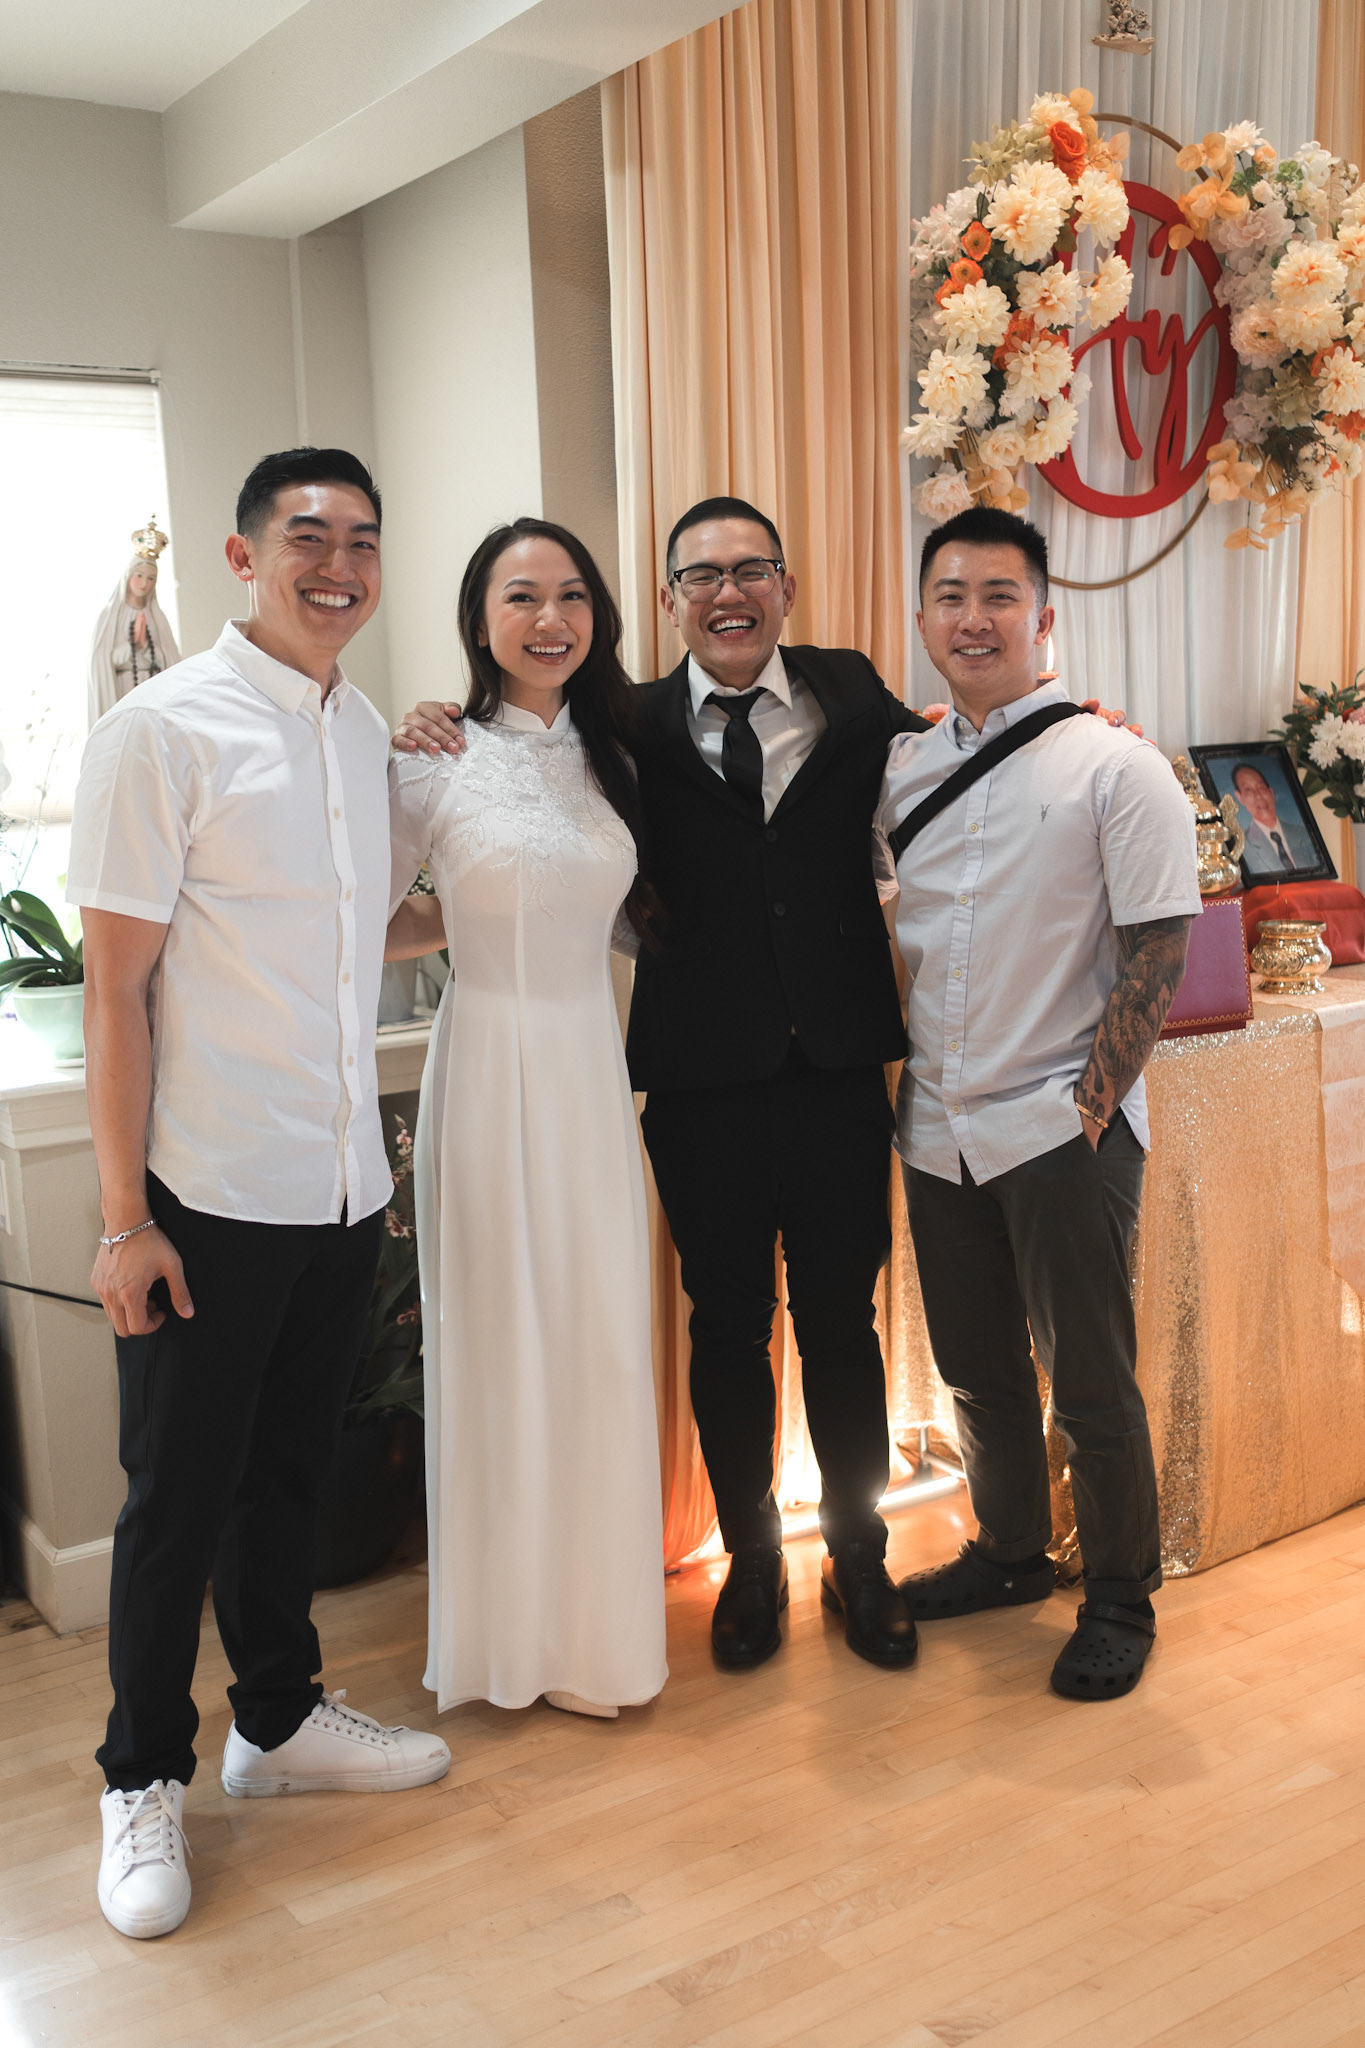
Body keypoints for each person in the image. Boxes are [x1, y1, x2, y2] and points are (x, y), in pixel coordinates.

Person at [397, 496, 930, 1676]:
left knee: (844, 1324)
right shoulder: (619, 725)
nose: (729, 593)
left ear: (786, 586)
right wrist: (427, 721)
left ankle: (860, 1554)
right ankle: (752, 1558)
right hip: (697, 1079)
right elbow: (512, 826)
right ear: (670, 597)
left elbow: (943, 763)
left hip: (839, 1066)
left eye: (752, 570)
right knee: (726, 1326)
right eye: (703, 575)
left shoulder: (853, 688)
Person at [68, 448, 450, 1944]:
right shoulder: (161, 731)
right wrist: (124, 1219)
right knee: (176, 1501)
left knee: (290, 1476)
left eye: (363, 540)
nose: (337, 565)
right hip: (206, 1190)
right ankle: (140, 1775)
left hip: (338, 1184)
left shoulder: (357, 729)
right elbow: (114, 988)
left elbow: (362, 927)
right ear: (242, 557)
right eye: (308, 537)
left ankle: (277, 1722)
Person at [879, 504, 1200, 1700]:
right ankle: (1011, 1551)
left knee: (1092, 1383)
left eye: (999, 595)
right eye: (951, 595)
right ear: (923, 618)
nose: (974, 618)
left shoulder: (1116, 763)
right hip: (937, 1123)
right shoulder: (900, 766)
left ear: (1043, 616)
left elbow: (1160, 946)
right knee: (976, 1367)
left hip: (1058, 1121)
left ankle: (1119, 1593)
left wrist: (1092, 1104)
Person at [386, 517, 668, 1720]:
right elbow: (373, 917)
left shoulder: (621, 755)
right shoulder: (430, 758)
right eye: (521, 595)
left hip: (587, 1068)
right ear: (480, 617)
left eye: (572, 595)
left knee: (595, 1334)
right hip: (490, 1063)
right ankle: (506, 1640)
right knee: (501, 1335)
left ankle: (597, 1638)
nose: (550, 619)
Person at [87, 522, 181, 727]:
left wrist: (146, 647)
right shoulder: (109, 616)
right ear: (128, 576)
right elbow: (100, 661)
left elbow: (172, 661)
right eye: (139, 576)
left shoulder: (157, 618)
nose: (144, 583)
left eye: (151, 578)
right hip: (122, 690)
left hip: (153, 692)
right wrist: (132, 645)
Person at [1231, 761, 1316, 872]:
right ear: (1240, 798)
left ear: (1271, 792)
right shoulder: (1240, 847)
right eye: (1248, 790)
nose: (1258, 796)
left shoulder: (1304, 834)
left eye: (1261, 787)